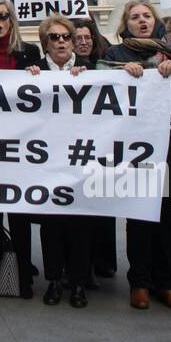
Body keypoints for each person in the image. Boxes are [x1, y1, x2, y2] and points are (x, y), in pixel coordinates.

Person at [103, 0, 171, 312]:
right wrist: (121, 72)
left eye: (146, 16)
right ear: (125, 25)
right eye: (134, 17)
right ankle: (139, 283)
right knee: (140, 218)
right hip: (136, 152)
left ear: (154, 20)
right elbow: (100, 78)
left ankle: (167, 283)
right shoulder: (117, 54)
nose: (141, 21)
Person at [0, 0, 41, 300]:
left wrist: (39, 78)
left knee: (19, 217)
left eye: (3, 16)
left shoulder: (29, 53)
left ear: (12, 20)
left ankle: (21, 277)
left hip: (21, 146)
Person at [30, 15, 95, 308]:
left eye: (65, 37)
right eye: (54, 37)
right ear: (45, 42)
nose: (60, 42)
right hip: (46, 161)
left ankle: (78, 282)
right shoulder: (33, 72)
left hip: (79, 160)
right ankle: (54, 280)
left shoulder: (90, 72)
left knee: (80, 225)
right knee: (51, 225)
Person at [73, 16, 116, 278]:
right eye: (77, 38)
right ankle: (81, 263)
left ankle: (104, 260)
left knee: (103, 207)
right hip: (75, 148)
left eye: (87, 37)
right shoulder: (65, 69)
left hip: (103, 145)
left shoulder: (108, 63)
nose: (82, 42)